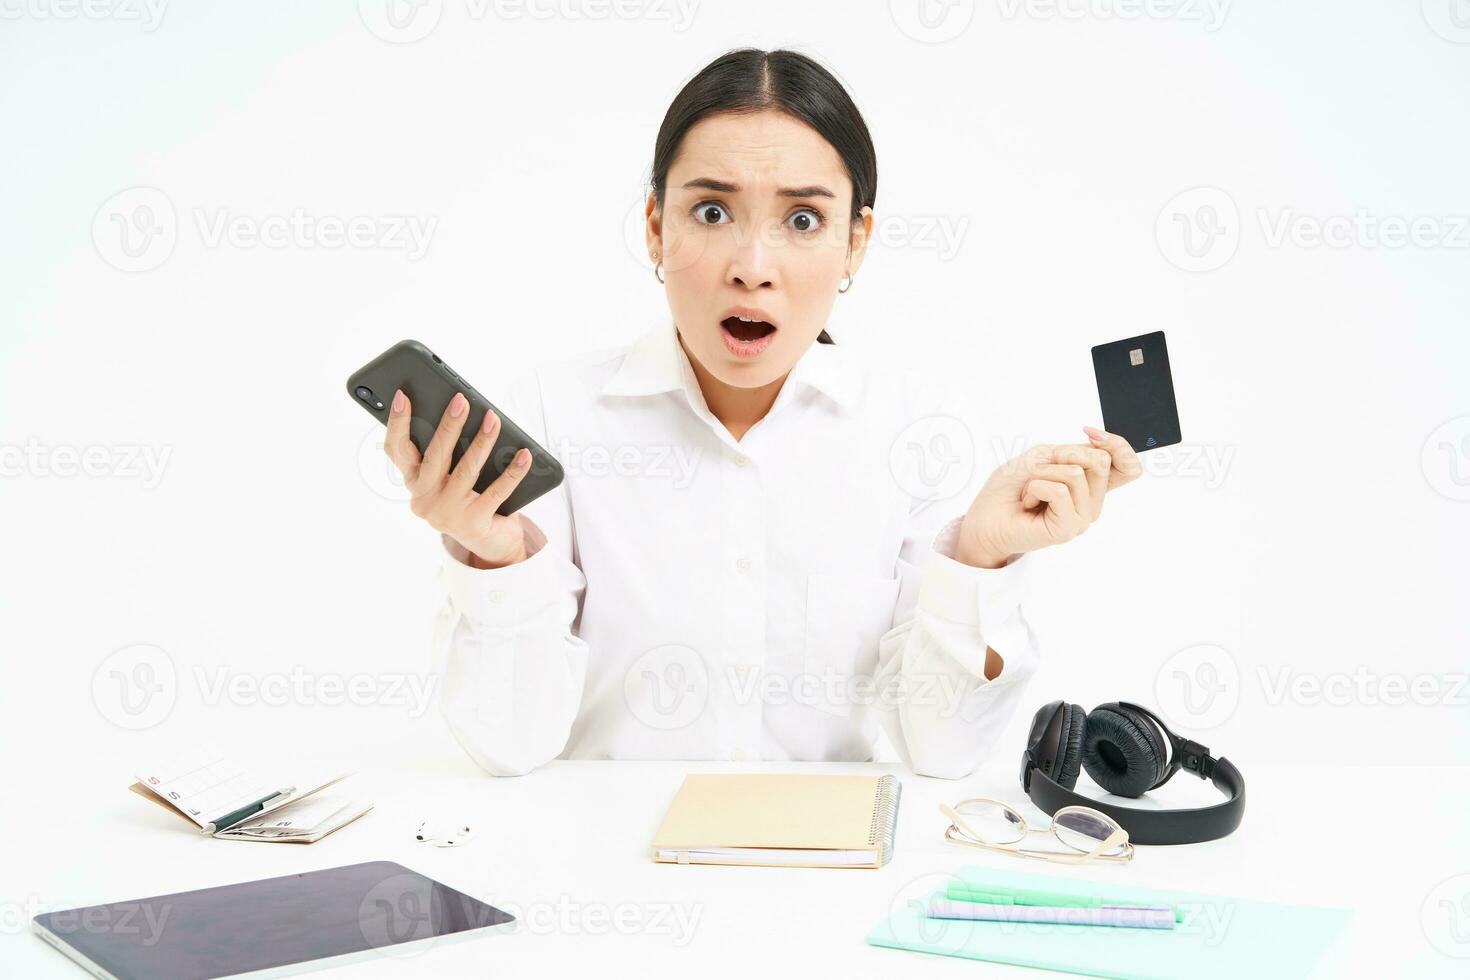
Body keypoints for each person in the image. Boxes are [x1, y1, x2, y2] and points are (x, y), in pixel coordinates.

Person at [382, 48, 1141, 778]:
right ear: (655, 227)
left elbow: (941, 751)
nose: (751, 266)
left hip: (828, 888)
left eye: (803, 221)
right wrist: (494, 560)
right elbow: (510, 746)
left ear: (856, 244)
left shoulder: (918, 430)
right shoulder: (557, 412)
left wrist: (977, 558)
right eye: (711, 212)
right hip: (609, 875)